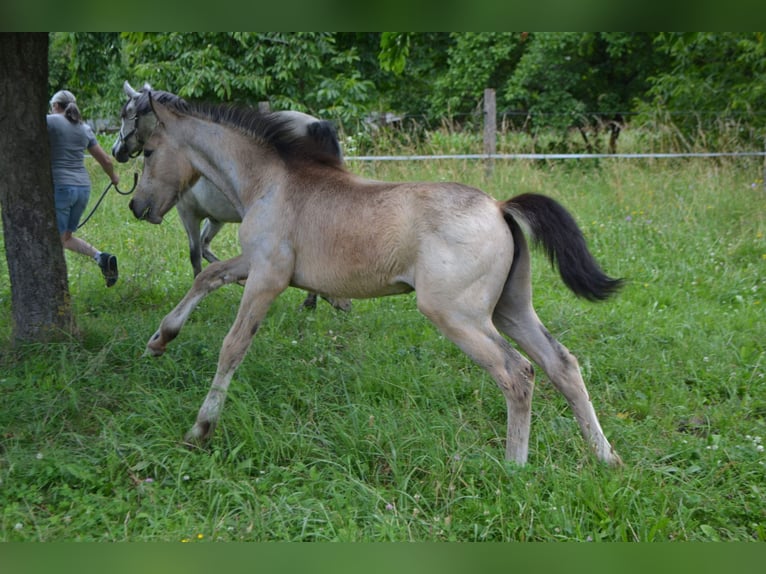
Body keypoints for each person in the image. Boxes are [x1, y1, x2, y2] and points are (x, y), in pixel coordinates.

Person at [47, 90, 120, 287]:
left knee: (56, 238)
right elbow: (105, 159)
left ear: (56, 106)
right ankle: (101, 258)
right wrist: (114, 177)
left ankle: (52, 283)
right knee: (65, 238)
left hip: (62, 187)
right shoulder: (84, 128)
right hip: (83, 189)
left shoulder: (50, 121)